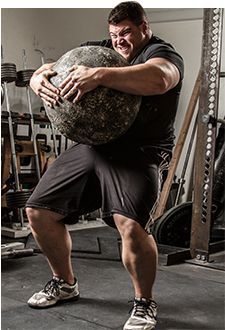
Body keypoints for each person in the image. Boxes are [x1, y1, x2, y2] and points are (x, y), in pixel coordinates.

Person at [26, 2, 184, 329]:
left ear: (144, 26)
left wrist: (99, 75)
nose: (119, 41)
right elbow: (56, 66)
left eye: (126, 32)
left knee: (130, 225)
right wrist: (37, 80)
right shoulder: (100, 49)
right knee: (38, 212)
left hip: (139, 152)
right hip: (94, 145)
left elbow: (160, 78)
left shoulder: (161, 53)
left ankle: (143, 304)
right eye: (114, 34)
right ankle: (65, 283)